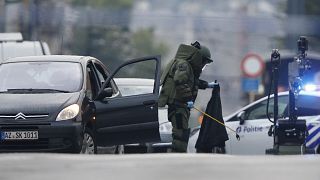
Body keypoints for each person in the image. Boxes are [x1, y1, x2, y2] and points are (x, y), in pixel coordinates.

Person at [159, 41, 213, 152]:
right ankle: (178, 155)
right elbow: (180, 81)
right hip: (178, 105)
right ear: (199, 58)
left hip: (179, 105)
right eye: (204, 62)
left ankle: (178, 153)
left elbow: (192, 82)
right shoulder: (184, 65)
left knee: (181, 131)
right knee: (180, 132)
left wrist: (208, 85)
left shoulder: (186, 65)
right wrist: (188, 99)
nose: (203, 66)